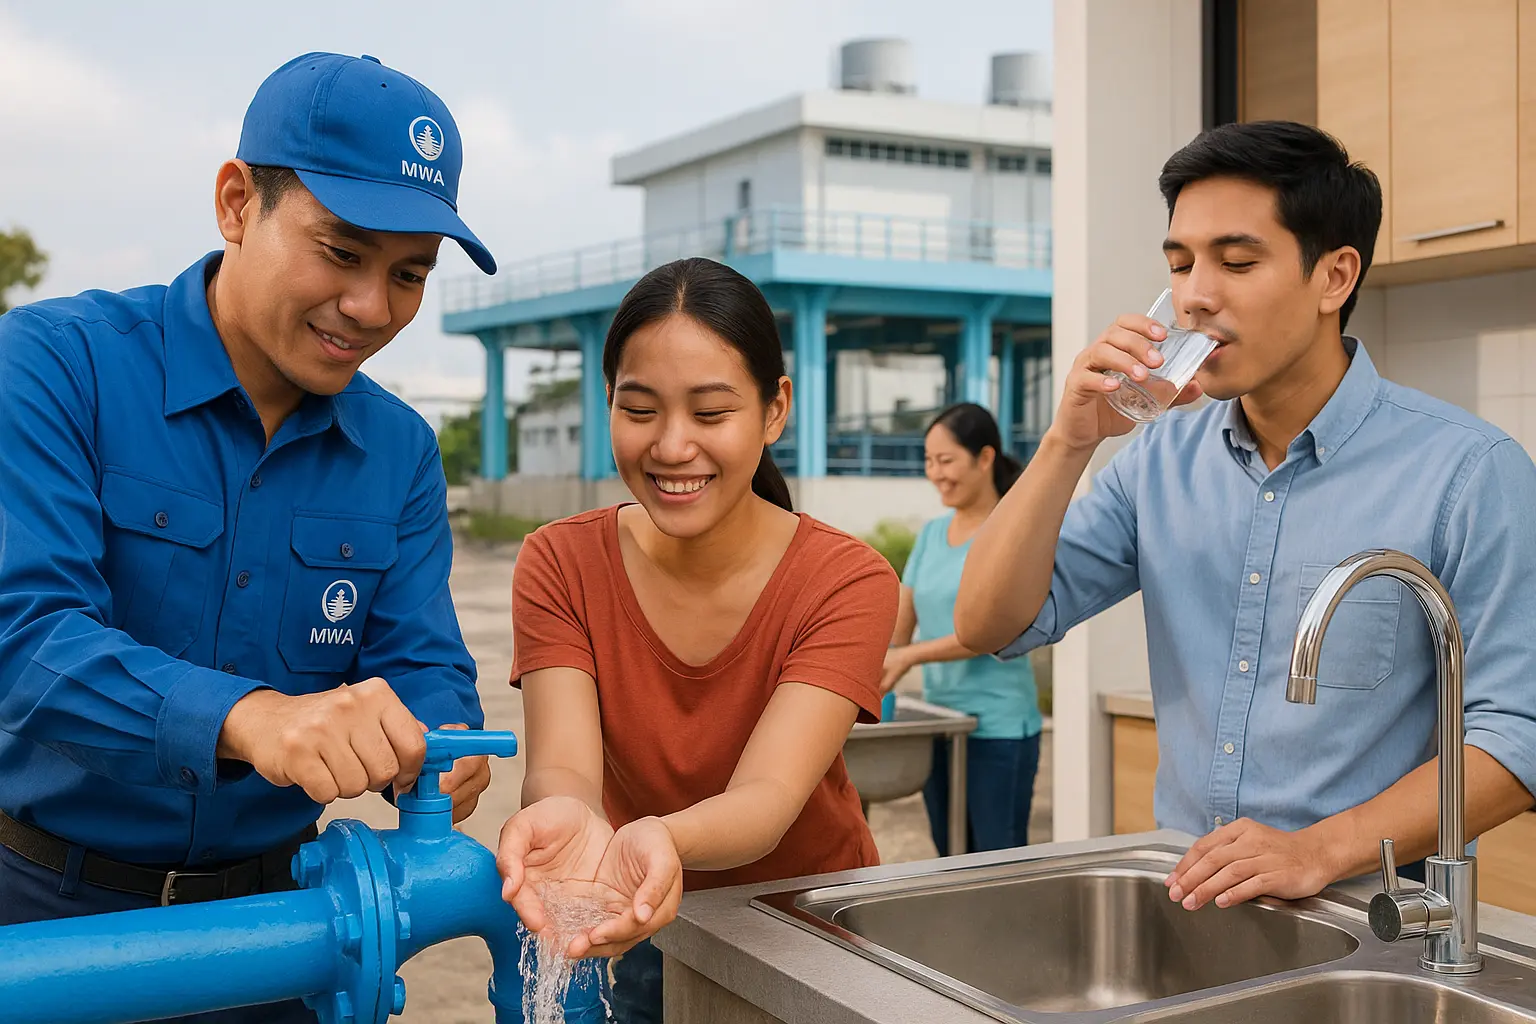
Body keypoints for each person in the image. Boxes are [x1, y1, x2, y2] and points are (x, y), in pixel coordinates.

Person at [0, 53, 495, 1022]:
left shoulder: (397, 449)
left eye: (409, 275)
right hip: (48, 918)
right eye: (342, 252)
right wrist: (256, 718)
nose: (371, 308)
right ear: (236, 202)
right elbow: (23, 635)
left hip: (287, 935)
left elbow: (421, 658)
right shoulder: (54, 366)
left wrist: (437, 741)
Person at [956, 120, 1536, 913]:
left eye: (1236, 261)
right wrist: (1067, 441)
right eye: (1179, 263)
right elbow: (990, 623)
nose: (1196, 293)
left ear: (1334, 278)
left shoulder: (1469, 471)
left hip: (1377, 922)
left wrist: (1320, 849)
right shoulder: (1156, 461)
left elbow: (1516, 738)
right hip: (1194, 909)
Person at [496, 257, 900, 1023]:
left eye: (711, 414)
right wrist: (576, 826)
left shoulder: (847, 579)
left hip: (813, 930)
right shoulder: (560, 561)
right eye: (640, 410)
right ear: (608, 401)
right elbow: (564, 769)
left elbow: (769, 797)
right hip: (640, 913)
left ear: (774, 409)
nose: (673, 447)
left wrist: (654, 838)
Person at [883, 403, 1042, 855]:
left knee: (997, 867)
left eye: (946, 460)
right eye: (929, 461)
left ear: (985, 458)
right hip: (941, 725)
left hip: (999, 729)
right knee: (949, 861)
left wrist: (910, 656)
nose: (935, 473)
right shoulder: (933, 534)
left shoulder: (1011, 531)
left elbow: (995, 629)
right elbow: (899, 625)